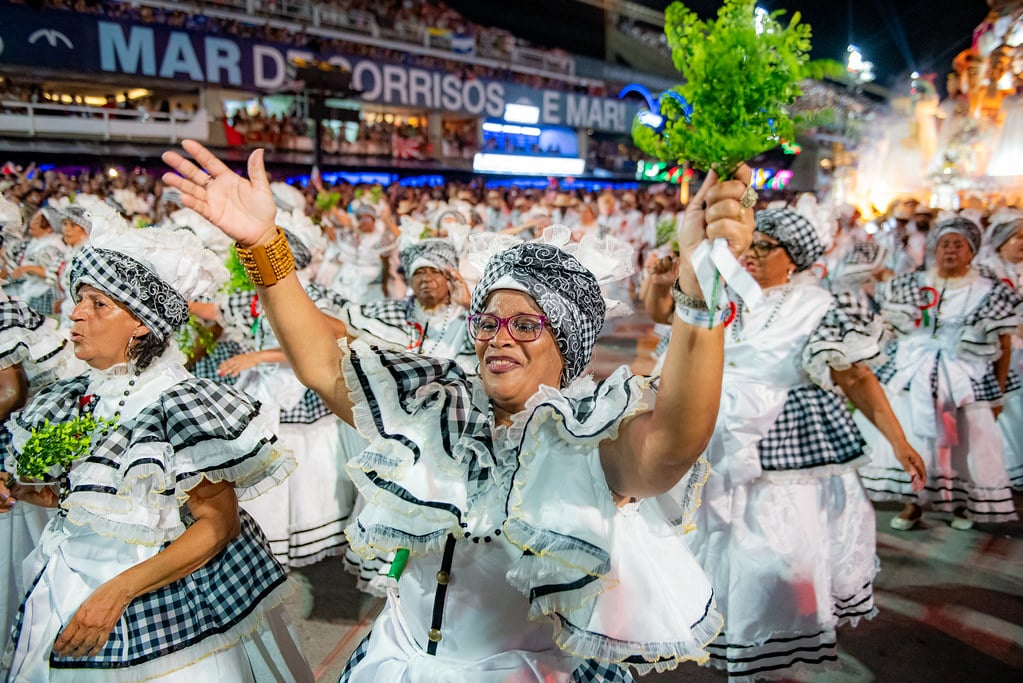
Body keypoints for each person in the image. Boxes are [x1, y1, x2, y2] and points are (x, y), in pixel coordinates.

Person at [162, 139, 754, 681]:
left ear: (567, 346)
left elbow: (674, 441)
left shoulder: (587, 439)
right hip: (396, 662)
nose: (500, 338)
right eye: (489, 322)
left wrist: (700, 298)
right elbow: (321, 360)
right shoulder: (434, 408)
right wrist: (263, 245)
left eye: (526, 325)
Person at [0, 212, 313, 681]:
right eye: (80, 299)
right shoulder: (74, 394)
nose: (76, 312)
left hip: (153, 604)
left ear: (142, 325)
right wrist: (22, 489)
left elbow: (217, 525)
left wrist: (116, 593)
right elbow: (81, 497)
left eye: (99, 304)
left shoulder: (178, 404)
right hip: (65, 586)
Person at [647, 208, 925, 680]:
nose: (751, 255)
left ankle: (762, 644)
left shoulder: (817, 307)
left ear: (792, 258)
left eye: (764, 247)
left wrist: (898, 442)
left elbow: (856, 376)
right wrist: (659, 281)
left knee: (769, 549)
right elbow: (671, 327)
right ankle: (713, 629)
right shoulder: (723, 293)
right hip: (711, 432)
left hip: (781, 449)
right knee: (710, 541)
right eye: (748, 246)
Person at [859, 216, 1020, 530]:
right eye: (944, 244)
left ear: (971, 251)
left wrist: (998, 392)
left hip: (965, 378)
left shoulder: (989, 290)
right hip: (913, 372)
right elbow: (891, 328)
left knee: (961, 443)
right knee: (914, 436)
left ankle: (962, 504)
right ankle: (913, 502)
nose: (950, 251)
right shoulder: (911, 284)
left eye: (958, 245)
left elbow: (1003, 344)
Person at [977, 215, 1023, 488]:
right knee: (1006, 412)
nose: (1022, 244)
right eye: (1017, 238)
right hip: (1002, 353)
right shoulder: (987, 271)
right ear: (1001, 241)